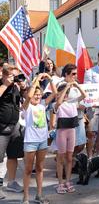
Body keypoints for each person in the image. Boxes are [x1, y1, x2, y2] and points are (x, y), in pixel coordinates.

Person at [21, 73, 57, 204]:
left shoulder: (42, 104)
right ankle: (25, 197)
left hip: (42, 141)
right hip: (30, 142)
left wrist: (49, 78)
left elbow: (54, 93)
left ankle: (39, 194)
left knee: (40, 168)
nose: (37, 96)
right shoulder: (26, 107)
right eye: (35, 94)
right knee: (28, 169)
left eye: (39, 94)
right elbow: (29, 95)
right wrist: (36, 79)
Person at [54, 81, 86, 194]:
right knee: (60, 157)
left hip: (71, 131)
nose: (66, 95)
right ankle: (60, 183)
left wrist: (77, 86)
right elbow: (58, 102)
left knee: (69, 157)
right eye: (64, 93)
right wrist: (66, 87)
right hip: (61, 132)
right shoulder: (57, 104)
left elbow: (84, 96)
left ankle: (67, 181)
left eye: (67, 93)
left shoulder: (72, 102)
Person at [0, 65, 24, 198]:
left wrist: (23, 86)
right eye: (11, 75)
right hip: (1, 127)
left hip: (14, 125)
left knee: (13, 155)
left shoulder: (16, 87)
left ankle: (12, 182)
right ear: (4, 76)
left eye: (15, 76)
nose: (13, 78)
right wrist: (5, 85)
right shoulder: (1, 85)